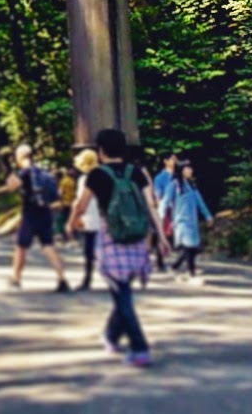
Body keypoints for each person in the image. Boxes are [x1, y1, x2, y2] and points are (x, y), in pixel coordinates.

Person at [67, 128, 170, 367]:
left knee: (121, 293)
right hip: (137, 239)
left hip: (111, 239)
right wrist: (161, 238)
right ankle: (111, 336)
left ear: (101, 151)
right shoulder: (137, 173)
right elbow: (151, 205)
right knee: (122, 290)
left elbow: (80, 206)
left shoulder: (96, 175)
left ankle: (140, 347)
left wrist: (72, 224)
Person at [6, 144, 70, 292]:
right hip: (46, 212)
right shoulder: (43, 171)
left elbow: (11, 186)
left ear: (20, 157)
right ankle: (62, 279)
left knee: (21, 246)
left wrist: (10, 174)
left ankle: (16, 278)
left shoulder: (24, 173)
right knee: (48, 245)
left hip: (30, 214)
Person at [159, 159, 214, 284]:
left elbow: (200, 203)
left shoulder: (192, 186)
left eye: (190, 168)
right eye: (187, 168)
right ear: (181, 170)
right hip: (181, 222)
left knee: (192, 248)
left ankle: (175, 267)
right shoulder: (174, 185)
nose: (190, 170)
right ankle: (191, 273)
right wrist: (161, 217)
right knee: (188, 248)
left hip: (192, 222)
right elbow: (165, 201)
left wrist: (208, 216)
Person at [70, 149, 101, 290]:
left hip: (89, 217)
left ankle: (87, 279)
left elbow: (80, 201)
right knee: (100, 249)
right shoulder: (102, 176)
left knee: (89, 251)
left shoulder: (84, 179)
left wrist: (73, 219)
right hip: (102, 217)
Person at [55, 169, 76, 245]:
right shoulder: (73, 182)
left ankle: (60, 236)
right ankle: (69, 237)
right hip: (71, 203)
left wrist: (59, 201)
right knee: (68, 219)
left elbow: (60, 193)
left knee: (60, 219)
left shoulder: (63, 181)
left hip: (64, 203)